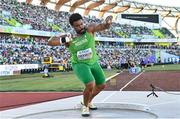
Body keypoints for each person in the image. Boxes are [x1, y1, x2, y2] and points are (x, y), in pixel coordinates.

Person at [48, 13, 113, 117]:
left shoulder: (90, 29)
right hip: (79, 64)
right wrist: (64, 40)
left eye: (82, 24)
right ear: (73, 26)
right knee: (90, 84)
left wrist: (107, 22)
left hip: (93, 62)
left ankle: (88, 101)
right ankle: (85, 107)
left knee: (101, 85)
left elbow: (103, 26)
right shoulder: (69, 37)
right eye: (77, 25)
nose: (81, 26)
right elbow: (50, 42)